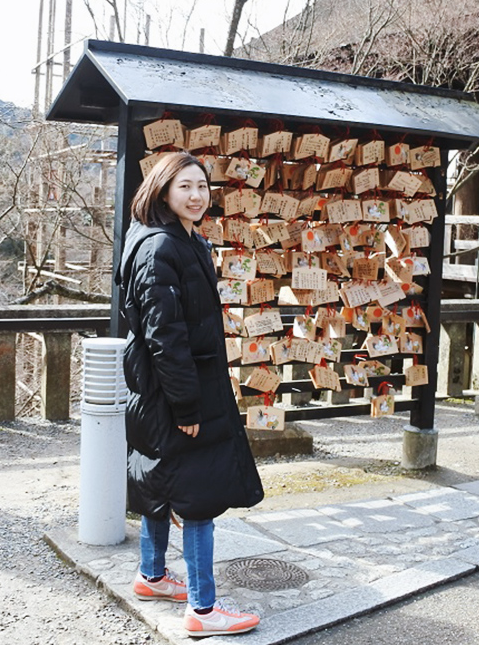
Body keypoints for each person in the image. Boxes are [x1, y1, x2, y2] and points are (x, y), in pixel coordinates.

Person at [115, 151, 264, 637]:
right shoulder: (162, 247)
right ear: (162, 190)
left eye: (202, 186)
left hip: (162, 390)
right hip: (176, 392)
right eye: (186, 187)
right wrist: (187, 405)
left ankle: (152, 576)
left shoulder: (180, 240)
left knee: (160, 485)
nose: (198, 196)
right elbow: (165, 336)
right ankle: (203, 610)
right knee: (199, 496)